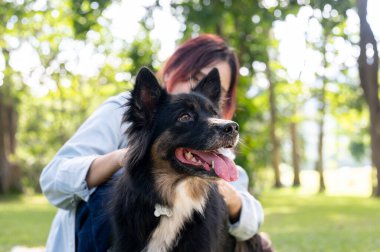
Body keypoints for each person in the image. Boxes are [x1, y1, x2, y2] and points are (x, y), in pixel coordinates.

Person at [40, 34, 271, 252]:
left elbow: (251, 217)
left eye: (214, 93)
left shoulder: (214, 154)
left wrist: (233, 199)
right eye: (194, 77)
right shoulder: (125, 109)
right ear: (172, 71)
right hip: (101, 235)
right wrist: (121, 159)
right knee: (119, 184)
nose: (199, 94)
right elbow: (53, 178)